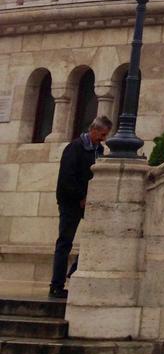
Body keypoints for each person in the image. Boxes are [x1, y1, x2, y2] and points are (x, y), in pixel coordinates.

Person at [49, 114, 112, 299]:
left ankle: (73, 271)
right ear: (93, 130)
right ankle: (56, 285)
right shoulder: (75, 147)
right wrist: (80, 197)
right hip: (71, 203)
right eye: (102, 134)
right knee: (65, 242)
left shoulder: (98, 150)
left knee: (98, 235)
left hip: (89, 202)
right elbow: (67, 178)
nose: (103, 139)